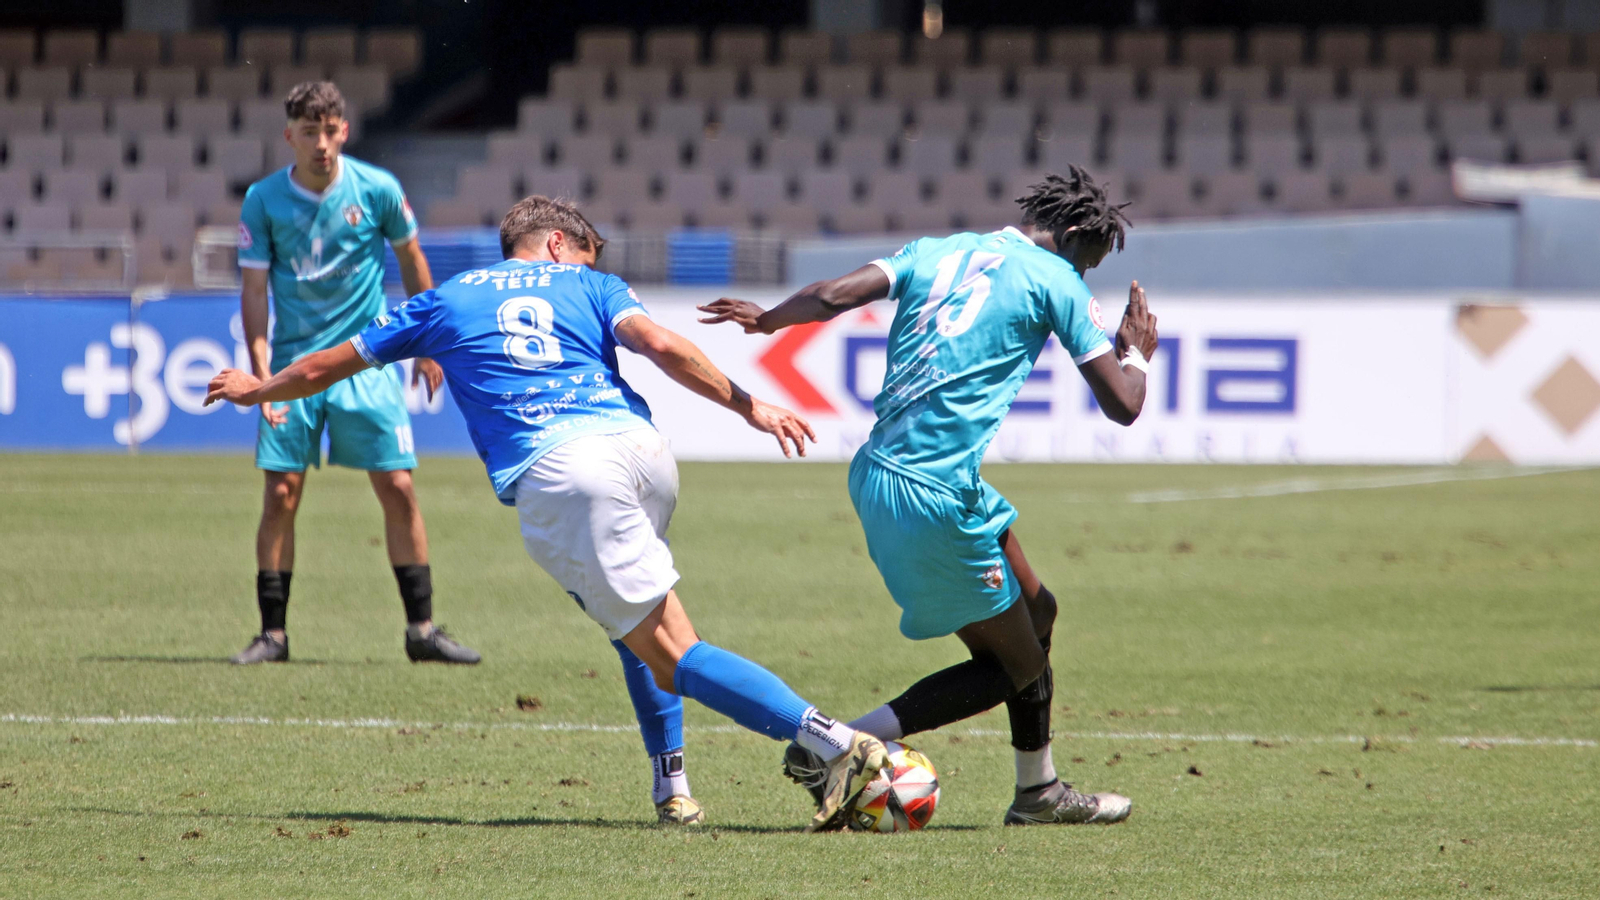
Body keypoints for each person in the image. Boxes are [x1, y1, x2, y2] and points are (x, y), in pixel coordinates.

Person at [206, 195, 890, 831]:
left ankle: (835, 742)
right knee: (634, 629)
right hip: (644, 453)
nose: (588, 265)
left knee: (673, 652)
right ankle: (672, 788)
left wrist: (258, 388)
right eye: (587, 253)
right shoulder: (593, 286)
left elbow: (328, 365)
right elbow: (664, 347)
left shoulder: (446, 299)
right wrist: (750, 404)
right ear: (558, 243)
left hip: (566, 477)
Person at [698, 165, 1157, 826]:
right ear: (1076, 233)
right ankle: (839, 743)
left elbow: (831, 295)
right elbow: (1124, 404)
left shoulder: (938, 250)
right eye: (1089, 260)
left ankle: (1039, 791)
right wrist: (1136, 352)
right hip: (932, 492)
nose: (1084, 273)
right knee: (1017, 666)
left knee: (1040, 613)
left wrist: (769, 320)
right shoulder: (1058, 280)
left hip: (883, 473)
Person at [231, 81, 479, 667]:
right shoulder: (263, 200)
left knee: (398, 487)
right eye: (309, 132)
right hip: (293, 367)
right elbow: (254, 291)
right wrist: (262, 377)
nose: (321, 143)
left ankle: (421, 630)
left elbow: (413, 260)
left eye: (330, 130)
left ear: (344, 130)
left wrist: (428, 345)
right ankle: (273, 635)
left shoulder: (378, 189)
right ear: (290, 136)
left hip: (366, 361)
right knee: (281, 494)